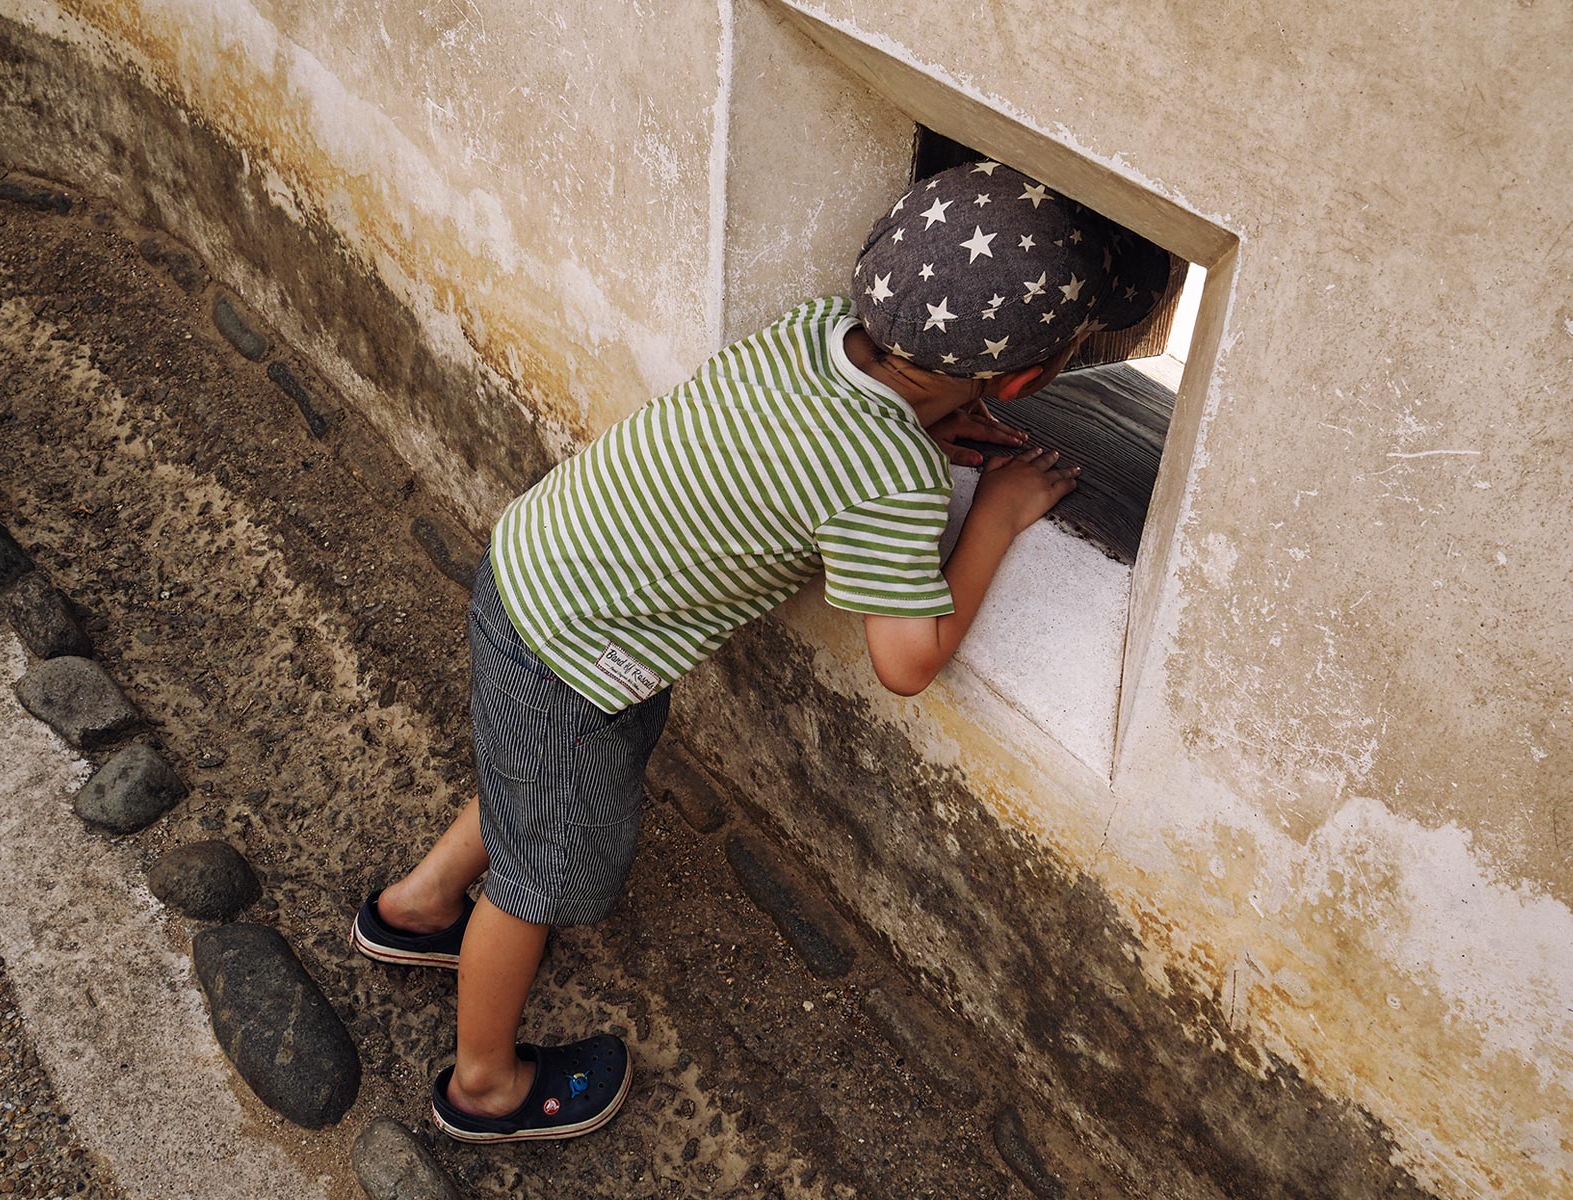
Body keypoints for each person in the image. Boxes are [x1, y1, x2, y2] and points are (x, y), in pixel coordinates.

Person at [351, 159, 1170, 1142]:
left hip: (533, 570)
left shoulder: (811, 330)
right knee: (536, 882)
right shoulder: (890, 472)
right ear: (1031, 379)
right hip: (580, 654)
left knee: (534, 778)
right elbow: (907, 661)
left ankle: (418, 909)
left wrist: (943, 416)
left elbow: (810, 434)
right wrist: (992, 512)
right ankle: (484, 1085)